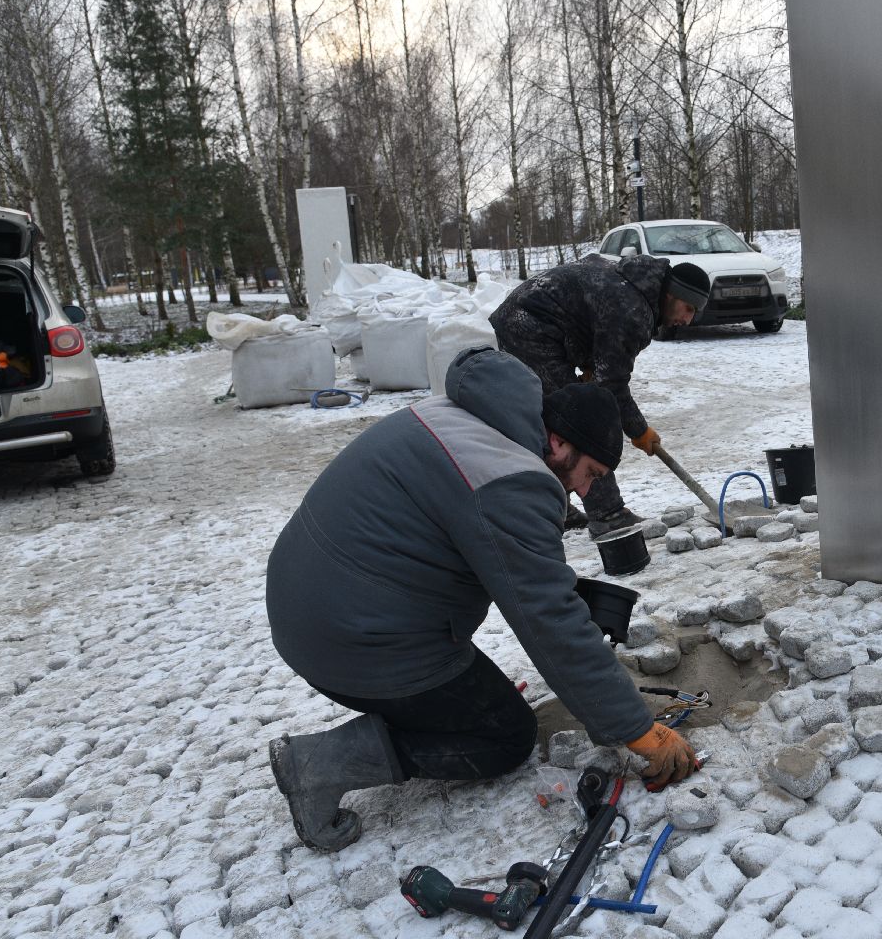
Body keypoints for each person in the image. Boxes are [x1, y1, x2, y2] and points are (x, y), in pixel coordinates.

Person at [264, 347, 698, 852]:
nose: (584, 492)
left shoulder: (460, 418)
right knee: (503, 736)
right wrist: (637, 729)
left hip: (320, 603)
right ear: (557, 442)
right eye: (592, 474)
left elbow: (484, 554)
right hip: (353, 637)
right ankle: (320, 763)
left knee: (471, 694)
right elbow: (548, 622)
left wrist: (560, 589)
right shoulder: (509, 480)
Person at [489, 253, 712, 536]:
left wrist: (591, 366)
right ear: (671, 295)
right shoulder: (633, 309)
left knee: (548, 422)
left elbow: (592, 319)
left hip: (526, 318)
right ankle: (608, 513)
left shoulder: (634, 284)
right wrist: (639, 430)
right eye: (688, 308)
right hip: (532, 328)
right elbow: (613, 386)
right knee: (576, 424)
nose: (688, 320)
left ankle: (555, 503)